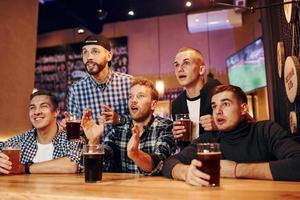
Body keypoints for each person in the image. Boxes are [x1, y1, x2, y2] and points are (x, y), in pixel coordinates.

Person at [162, 85, 300, 184]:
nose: (218, 111)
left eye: (226, 104)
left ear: (243, 108)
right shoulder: (209, 140)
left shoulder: (266, 130)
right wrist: (185, 172)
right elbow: (169, 163)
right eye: (214, 106)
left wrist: (237, 170)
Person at [81, 77, 176, 174]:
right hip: (123, 188)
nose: (133, 100)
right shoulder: (119, 130)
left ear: (153, 104)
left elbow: (158, 163)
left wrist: (135, 153)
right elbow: (100, 161)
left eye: (140, 96)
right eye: (130, 96)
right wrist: (93, 141)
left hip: (153, 189)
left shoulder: (165, 127)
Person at [0, 90, 81, 175]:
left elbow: (71, 165)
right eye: (32, 108)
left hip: (60, 188)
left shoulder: (71, 138)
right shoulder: (22, 140)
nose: (36, 112)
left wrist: (24, 168)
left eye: (43, 106)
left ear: (56, 112)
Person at [65, 35, 132, 131]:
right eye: (85, 52)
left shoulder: (128, 83)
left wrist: (119, 119)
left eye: (95, 51)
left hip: (123, 146)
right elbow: (75, 135)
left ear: (109, 56)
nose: (89, 57)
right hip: (91, 146)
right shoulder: (75, 90)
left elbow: (142, 121)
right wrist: (70, 129)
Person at [172, 47, 221, 147]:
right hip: (190, 158)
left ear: (201, 69)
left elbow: (246, 122)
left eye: (186, 63)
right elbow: (182, 145)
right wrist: (176, 135)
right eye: (176, 65)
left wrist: (219, 124)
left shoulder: (217, 93)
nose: (180, 69)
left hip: (219, 156)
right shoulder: (177, 104)